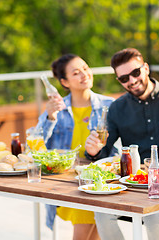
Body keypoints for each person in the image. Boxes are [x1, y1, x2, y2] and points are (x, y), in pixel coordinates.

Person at [85, 48, 159, 240]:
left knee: (153, 216)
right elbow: (104, 152)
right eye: (124, 78)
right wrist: (93, 152)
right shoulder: (117, 108)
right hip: (134, 184)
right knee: (102, 212)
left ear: (146, 68)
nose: (132, 80)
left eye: (135, 72)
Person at [37, 54, 114, 240]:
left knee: (96, 224)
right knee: (89, 213)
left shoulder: (109, 106)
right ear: (64, 82)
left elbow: (117, 146)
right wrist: (50, 117)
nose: (84, 75)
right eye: (76, 73)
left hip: (100, 179)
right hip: (67, 182)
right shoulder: (57, 109)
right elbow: (36, 142)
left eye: (86, 68)